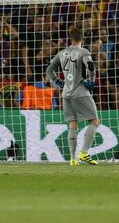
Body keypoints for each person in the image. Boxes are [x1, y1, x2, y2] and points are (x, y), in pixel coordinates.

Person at [46, 28, 99, 166]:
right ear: (82, 39)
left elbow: (49, 69)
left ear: (70, 39)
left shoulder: (62, 53)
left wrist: (57, 82)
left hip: (66, 93)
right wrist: (92, 81)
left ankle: (72, 159)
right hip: (80, 91)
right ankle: (84, 152)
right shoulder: (84, 52)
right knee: (94, 121)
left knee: (72, 123)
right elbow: (91, 67)